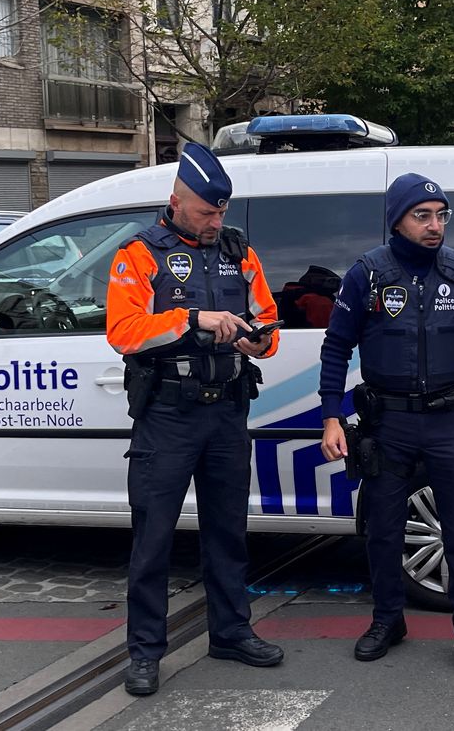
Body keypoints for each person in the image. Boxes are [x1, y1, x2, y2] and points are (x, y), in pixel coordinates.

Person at [106, 142, 285, 696]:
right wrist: (191, 319)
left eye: (221, 212)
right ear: (176, 202)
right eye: (206, 212)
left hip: (228, 412)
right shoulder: (138, 254)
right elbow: (123, 331)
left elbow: (271, 325)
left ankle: (232, 632)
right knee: (153, 539)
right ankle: (145, 652)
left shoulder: (239, 253)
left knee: (229, 532)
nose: (216, 221)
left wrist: (257, 341)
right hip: (168, 415)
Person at [318, 174, 454, 679]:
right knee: (382, 531)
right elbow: (337, 347)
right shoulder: (367, 275)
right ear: (397, 220)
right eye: (421, 215)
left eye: (441, 214)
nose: (434, 226)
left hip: (450, 422)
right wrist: (331, 416)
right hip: (389, 426)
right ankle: (388, 621)